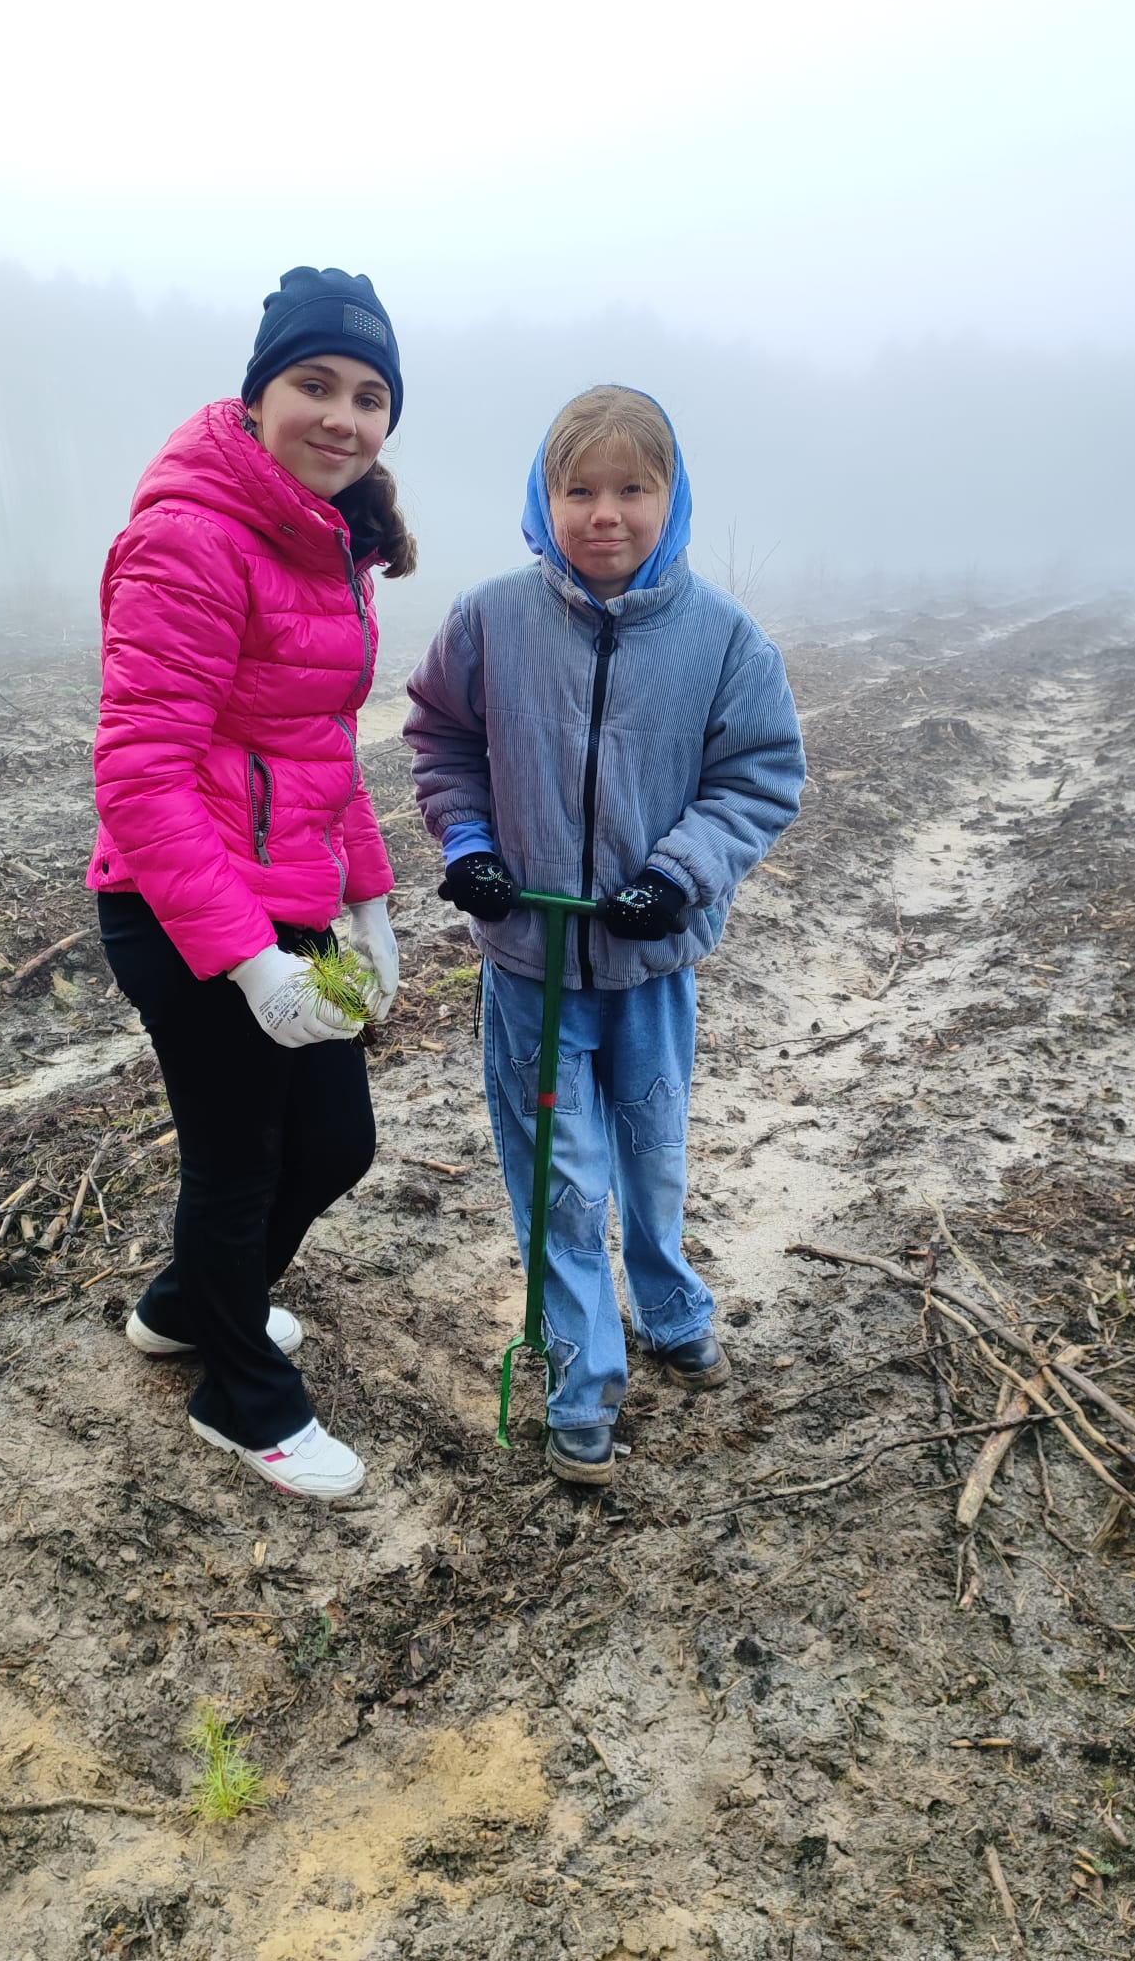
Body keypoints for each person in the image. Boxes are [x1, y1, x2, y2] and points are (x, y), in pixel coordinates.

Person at [403, 385, 805, 1484]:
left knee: (652, 1153)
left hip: (650, 967)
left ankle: (672, 1305)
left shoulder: (724, 640)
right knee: (561, 1175)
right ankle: (584, 1377)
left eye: (633, 488)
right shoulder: (489, 619)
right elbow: (442, 739)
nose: (605, 513)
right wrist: (470, 844)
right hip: (529, 964)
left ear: (672, 499)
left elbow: (760, 775)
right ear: (546, 498)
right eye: (578, 489)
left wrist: (679, 875)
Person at [89, 267, 415, 1500]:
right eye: (315, 384)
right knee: (240, 1160)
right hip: (180, 910)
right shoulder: (194, 535)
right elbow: (141, 776)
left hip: (289, 901)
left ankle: (188, 1305)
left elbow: (319, 749)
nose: (342, 416)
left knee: (332, 1141)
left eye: (370, 396)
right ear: (260, 393)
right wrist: (247, 959)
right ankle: (243, 1396)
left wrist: (369, 903)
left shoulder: (327, 545)